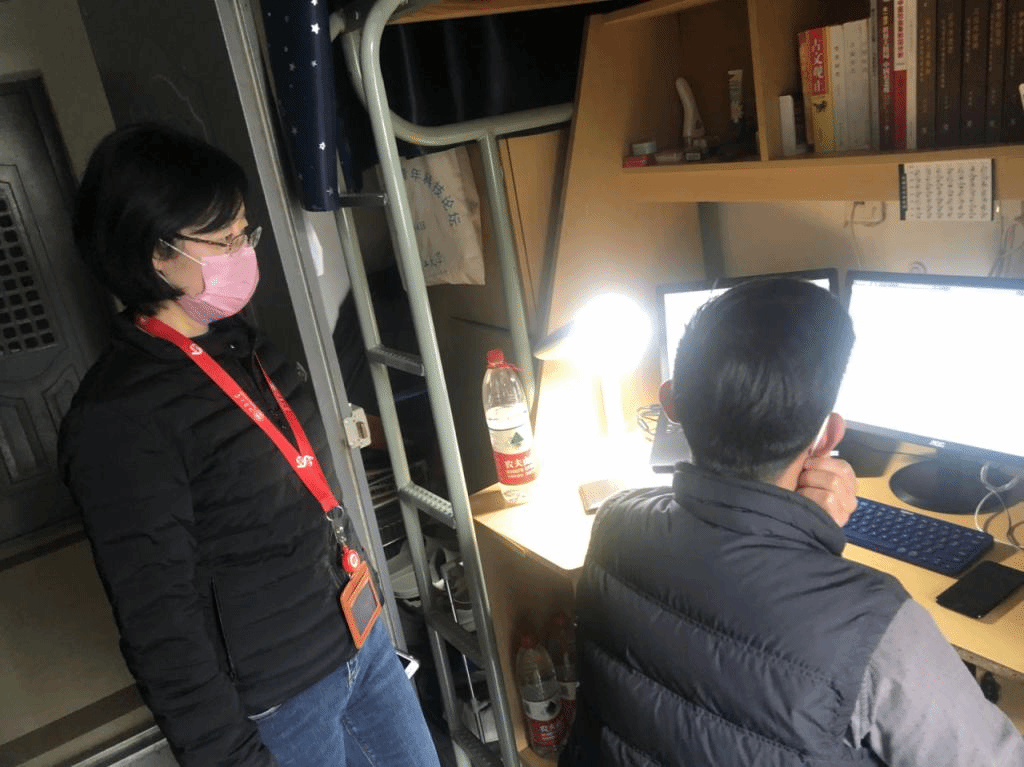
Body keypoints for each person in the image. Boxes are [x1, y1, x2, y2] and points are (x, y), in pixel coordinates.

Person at [59, 124, 442, 767]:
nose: (243, 252)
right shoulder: (118, 419)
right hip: (282, 701)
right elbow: (161, 627)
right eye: (226, 239)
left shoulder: (240, 342)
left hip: (361, 642)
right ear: (155, 254)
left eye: (245, 232)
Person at [559, 278, 1024, 766]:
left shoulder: (613, 524)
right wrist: (806, 545)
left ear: (671, 403)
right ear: (829, 437)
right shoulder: (876, 626)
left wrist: (802, 538)